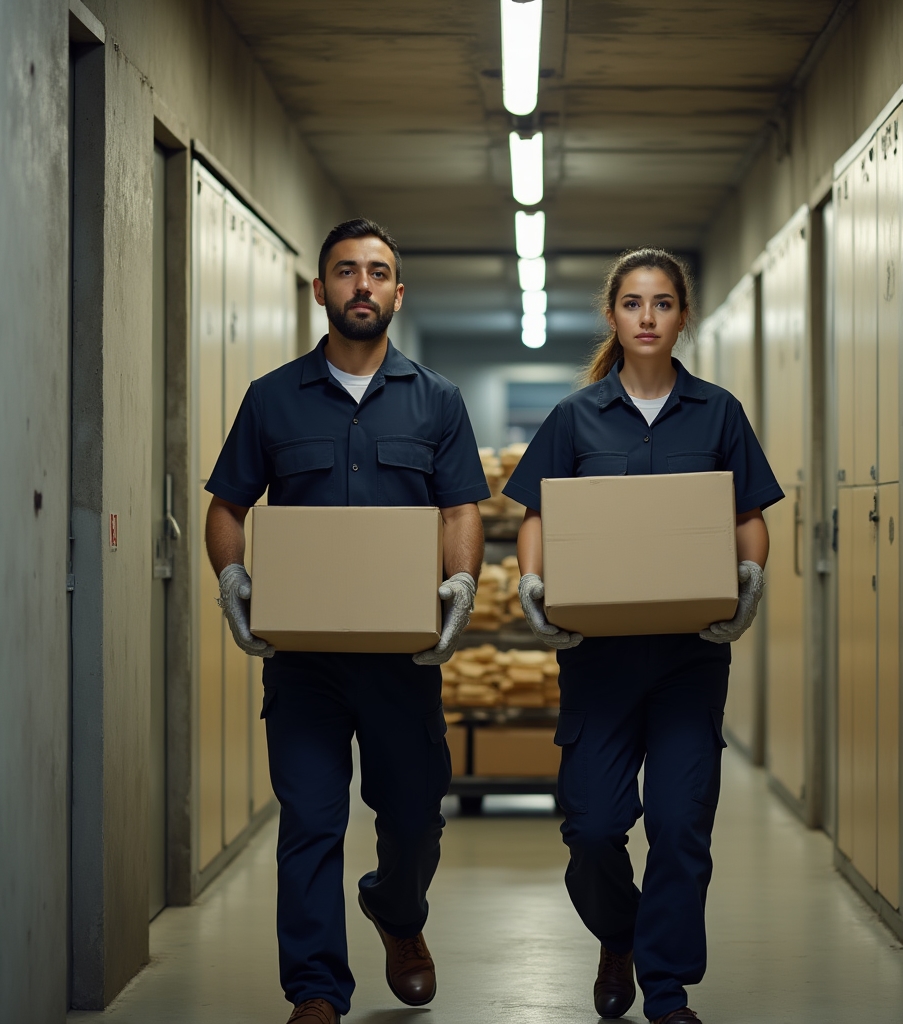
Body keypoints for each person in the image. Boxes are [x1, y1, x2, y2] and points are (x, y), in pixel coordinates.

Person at [204, 218, 490, 1024]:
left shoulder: (437, 400)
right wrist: (232, 575)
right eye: (345, 271)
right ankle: (318, 992)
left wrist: (461, 582)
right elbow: (228, 506)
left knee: (412, 818)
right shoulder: (272, 399)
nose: (361, 284)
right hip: (305, 663)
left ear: (398, 293)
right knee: (310, 821)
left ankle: (397, 914)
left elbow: (459, 506)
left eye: (377, 272)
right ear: (322, 288)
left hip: (403, 660)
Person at [503, 248, 783, 1024]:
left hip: (692, 653)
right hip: (599, 657)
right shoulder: (575, 417)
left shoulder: (719, 413)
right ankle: (619, 933)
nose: (648, 317)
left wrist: (749, 580)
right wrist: (533, 584)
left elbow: (748, 517)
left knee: (679, 822)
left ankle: (666, 989)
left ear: (682, 316)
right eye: (633, 303)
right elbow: (537, 518)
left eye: (662, 303)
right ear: (614, 317)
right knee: (593, 826)